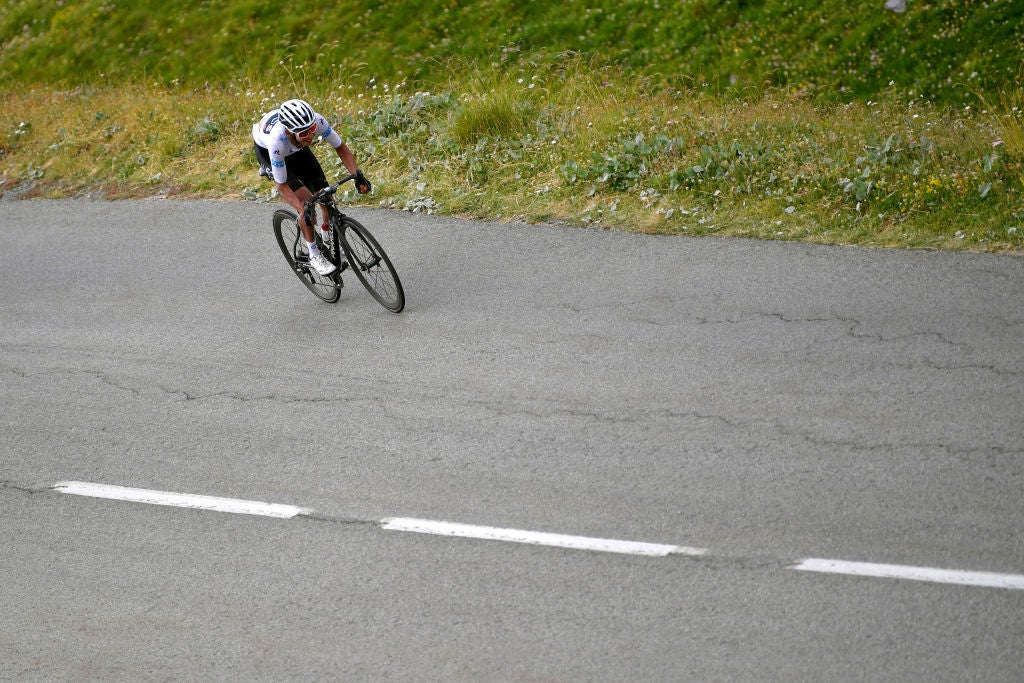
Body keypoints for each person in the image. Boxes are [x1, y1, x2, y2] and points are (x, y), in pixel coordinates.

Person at [252, 99, 371, 275]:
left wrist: (357, 175)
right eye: (305, 132)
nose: (311, 135)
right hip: (270, 154)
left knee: (326, 197)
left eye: (313, 130)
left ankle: (325, 231)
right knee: (306, 203)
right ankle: (314, 254)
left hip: (297, 149)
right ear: (289, 131)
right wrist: (303, 208)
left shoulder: (315, 121)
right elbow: (282, 186)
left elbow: (340, 147)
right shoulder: (276, 142)